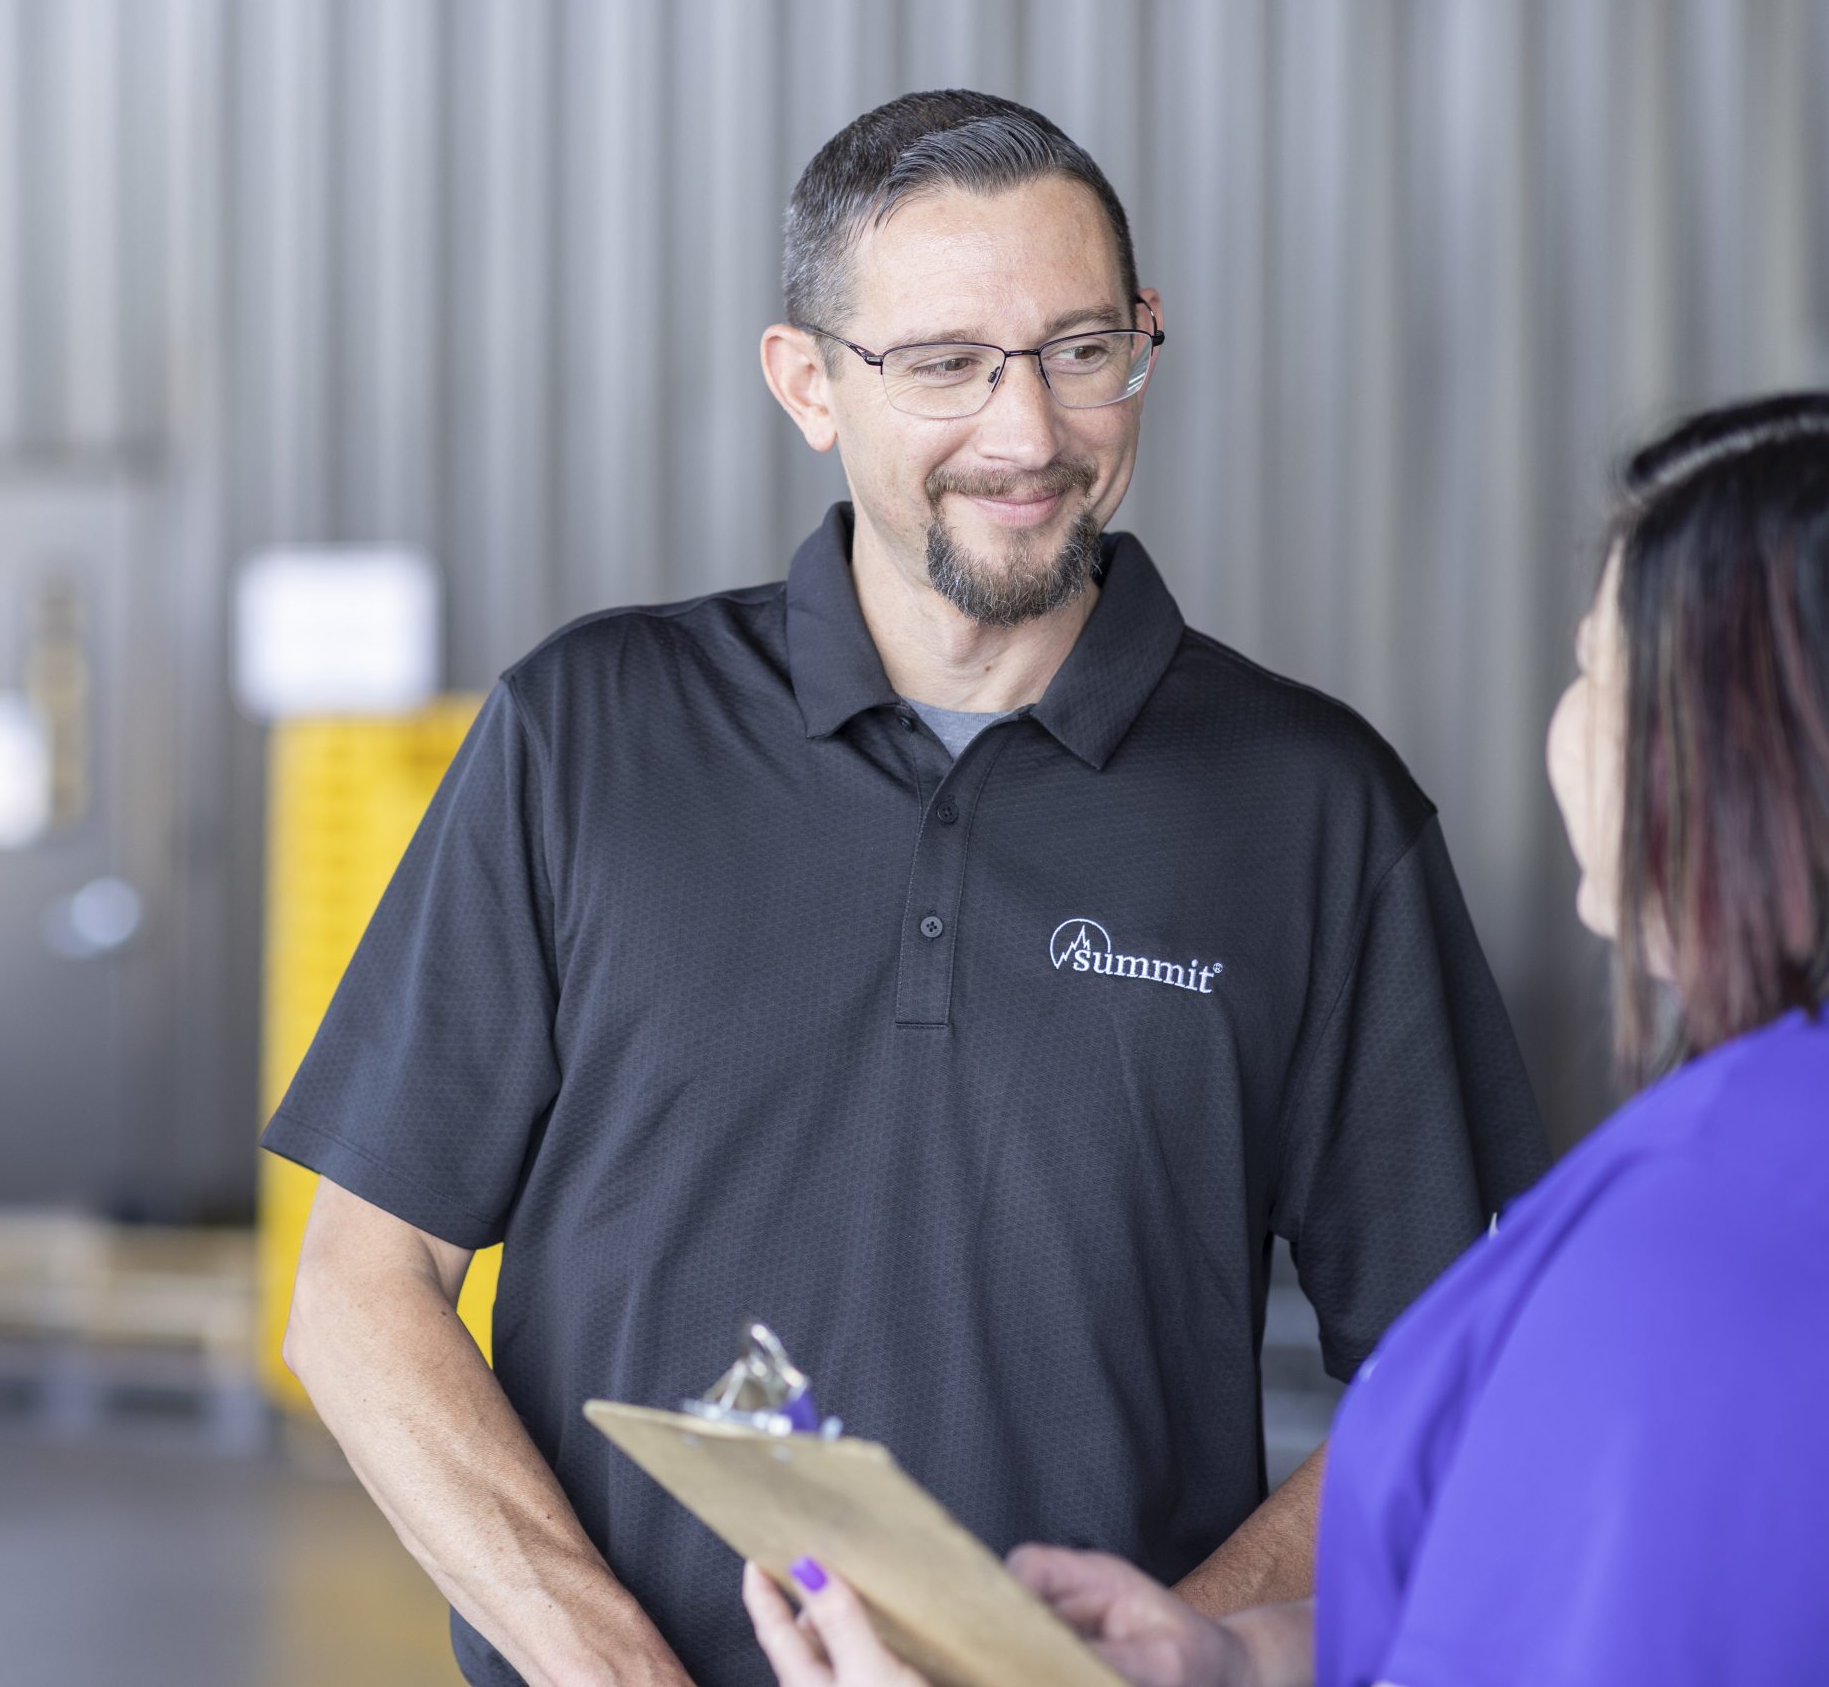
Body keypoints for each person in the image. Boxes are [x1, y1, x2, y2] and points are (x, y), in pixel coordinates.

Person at [267, 90, 1545, 1687]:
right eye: (945, 364)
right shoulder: (587, 737)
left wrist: (1157, 1659)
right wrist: (603, 1661)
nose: (1027, 434)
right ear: (807, 381)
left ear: (1146, 339)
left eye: (1083, 351)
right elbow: (360, 1289)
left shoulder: (1311, 808)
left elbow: (1464, 1370)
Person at [746, 392, 1829, 1687]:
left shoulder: (1696, 1251)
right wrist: (1235, 1658)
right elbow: (1513, 1608)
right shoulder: (1722, 1169)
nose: (1022, 427)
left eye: (1599, 668)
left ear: (1748, 743)